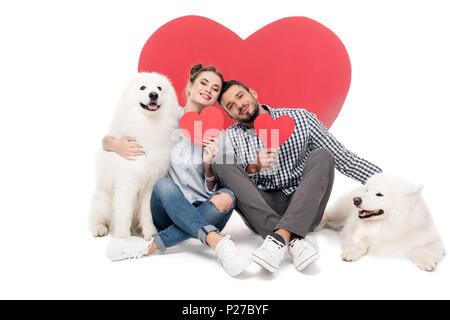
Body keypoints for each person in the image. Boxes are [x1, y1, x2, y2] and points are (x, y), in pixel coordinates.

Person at [212, 80, 383, 273]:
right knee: (219, 162)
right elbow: (234, 190)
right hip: (263, 209)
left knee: (323, 155)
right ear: (229, 114)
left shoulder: (300, 118)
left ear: (253, 93)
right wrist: (253, 167)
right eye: (230, 106)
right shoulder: (230, 137)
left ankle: (278, 239)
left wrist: (388, 186)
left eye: (240, 96)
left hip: (305, 205)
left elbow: (345, 159)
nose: (239, 105)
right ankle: (292, 240)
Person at [102, 66, 250, 277]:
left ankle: (148, 246)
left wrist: (209, 165)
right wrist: (115, 144)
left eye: (215, 88)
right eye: (203, 83)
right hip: (168, 209)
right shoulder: (164, 117)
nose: (208, 89)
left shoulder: (220, 134)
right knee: (162, 185)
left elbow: (215, 187)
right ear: (189, 86)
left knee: (228, 197)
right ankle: (217, 242)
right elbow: (111, 137)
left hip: (206, 210)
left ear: (217, 97)